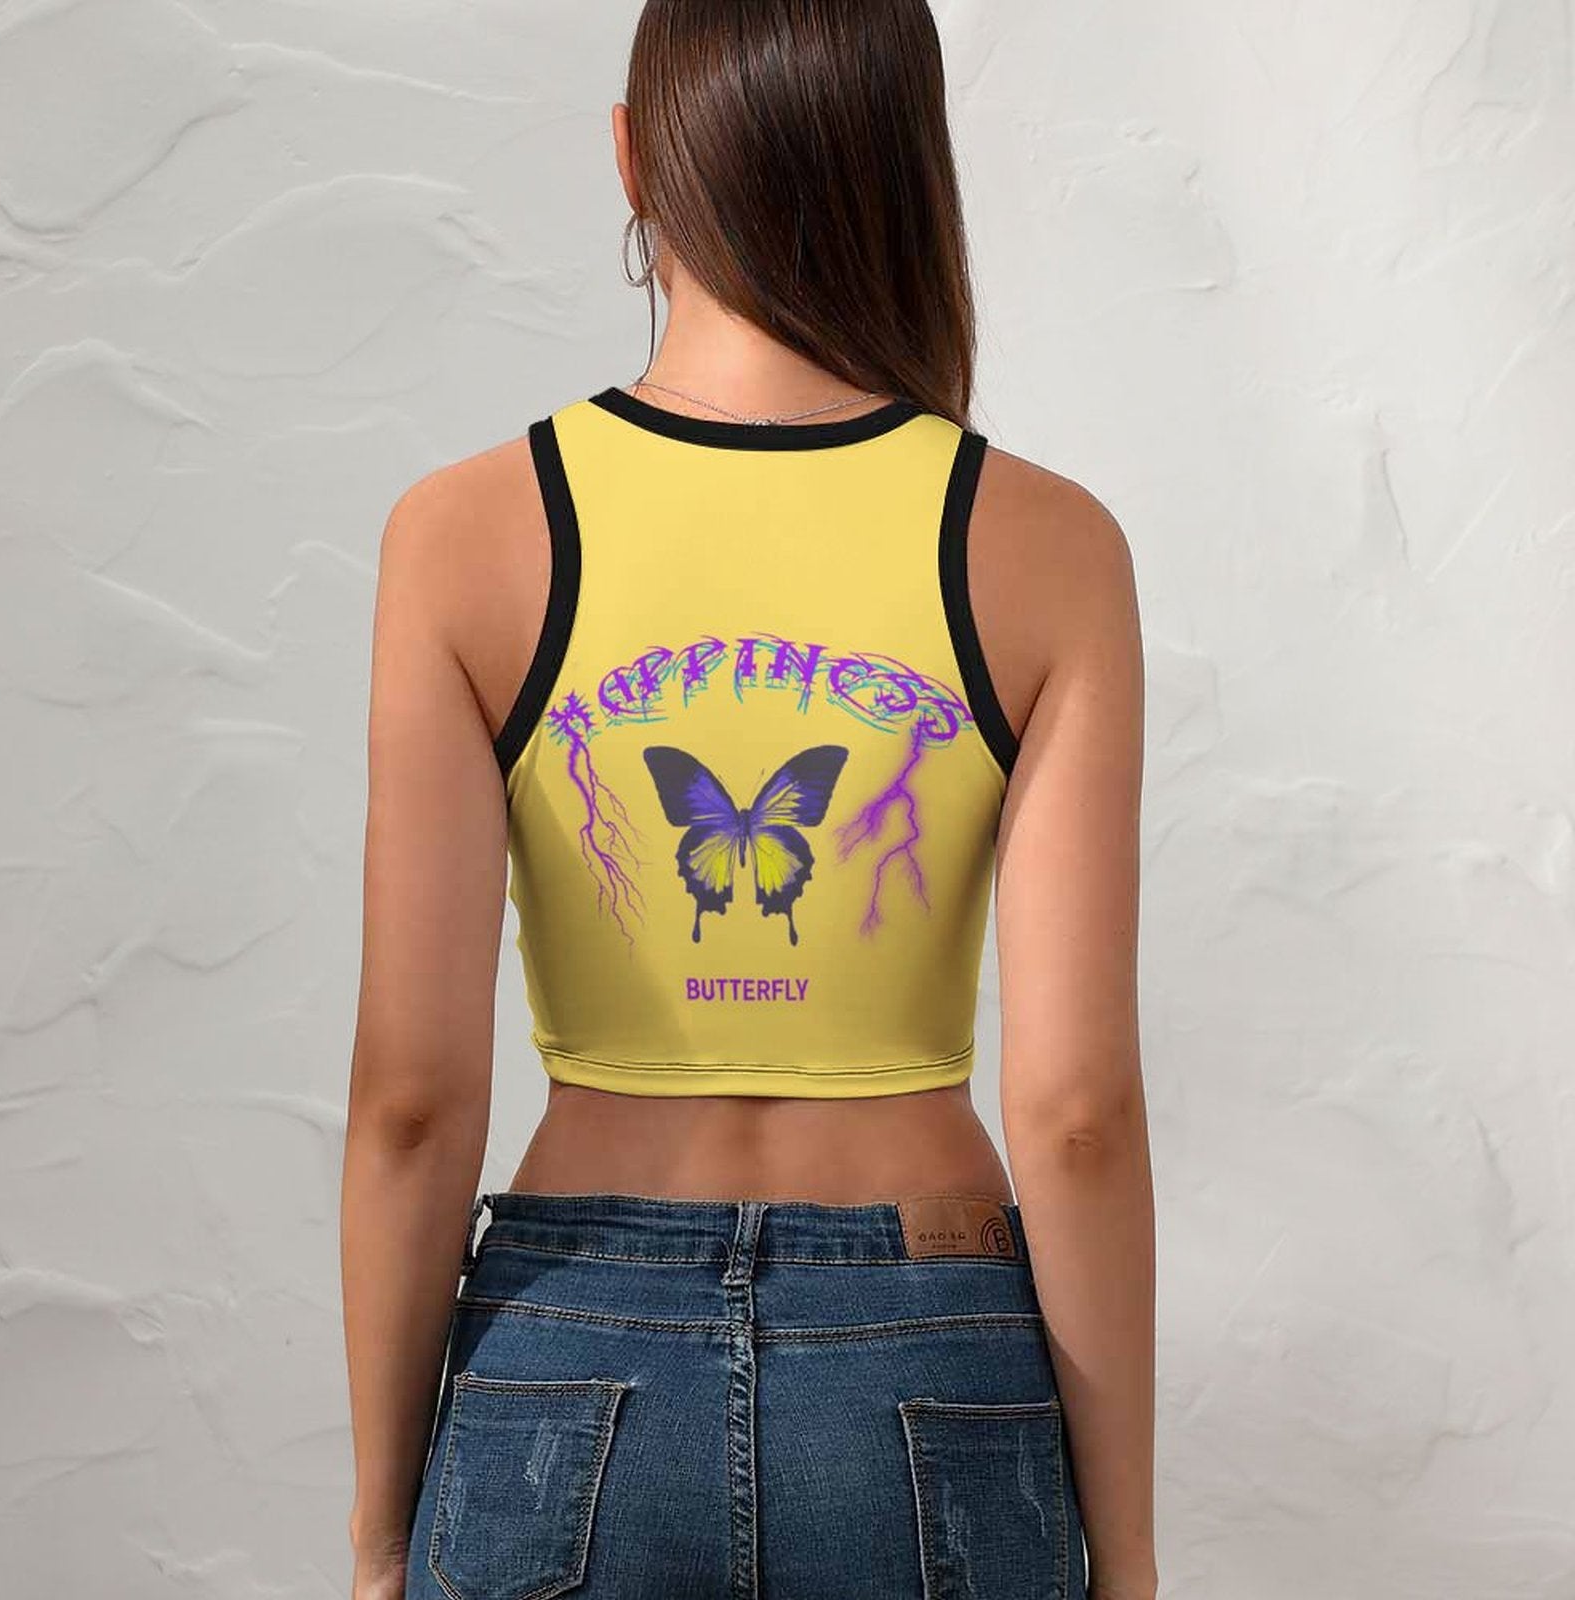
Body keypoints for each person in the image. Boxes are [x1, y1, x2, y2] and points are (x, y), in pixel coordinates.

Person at [340, 3, 1155, 1598]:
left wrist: (380, 1538)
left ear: (632, 155)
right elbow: (1076, 1115)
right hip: (930, 1352)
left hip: (567, 1348)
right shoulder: (1046, 544)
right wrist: (1124, 1566)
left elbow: (413, 1099)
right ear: (904, 164)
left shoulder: (467, 531)